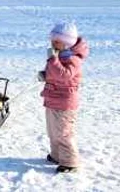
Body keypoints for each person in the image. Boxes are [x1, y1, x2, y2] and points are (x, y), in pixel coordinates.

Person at [37, 21, 90, 173]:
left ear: (67, 43)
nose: (53, 44)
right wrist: (46, 75)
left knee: (64, 132)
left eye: (57, 41)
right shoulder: (60, 55)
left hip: (65, 102)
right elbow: (55, 73)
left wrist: (52, 60)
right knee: (52, 131)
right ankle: (57, 155)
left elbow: (64, 75)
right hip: (53, 98)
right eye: (52, 40)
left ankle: (70, 161)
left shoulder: (74, 59)